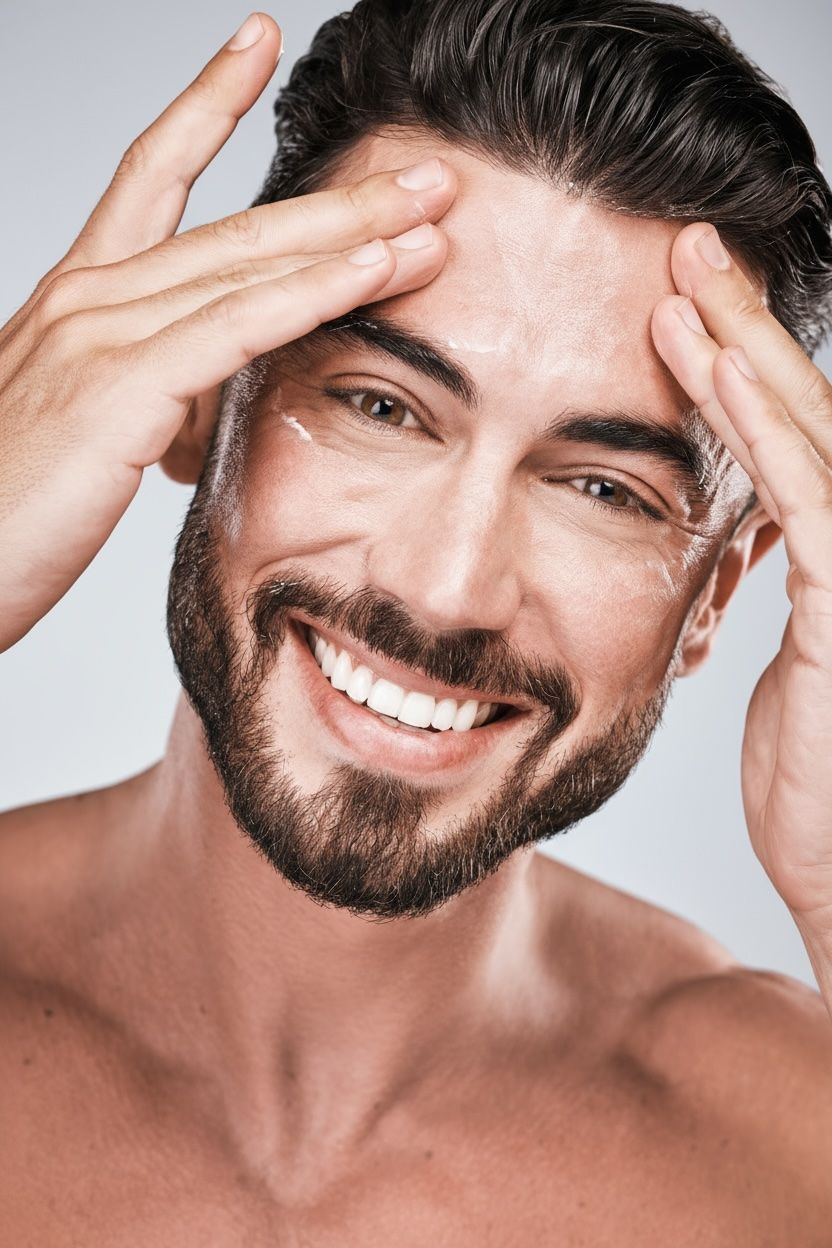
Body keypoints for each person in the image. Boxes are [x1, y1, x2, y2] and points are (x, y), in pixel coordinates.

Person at [1, 0, 831, 1239]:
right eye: (383, 407)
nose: (445, 589)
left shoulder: (789, 1146)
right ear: (193, 390)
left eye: (602, 489)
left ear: (715, 591)